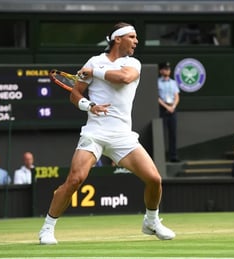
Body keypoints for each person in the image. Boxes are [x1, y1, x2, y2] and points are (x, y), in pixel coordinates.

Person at [38, 22, 175, 245]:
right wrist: (88, 106)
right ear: (117, 39)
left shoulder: (132, 63)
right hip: (95, 132)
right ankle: (47, 228)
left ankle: (151, 222)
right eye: (132, 36)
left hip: (122, 135)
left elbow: (125, 78)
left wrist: (94, 72)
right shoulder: (94, 60)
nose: (136, 41)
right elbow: (75, 94)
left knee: (154, 179)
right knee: (75, 180)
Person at [157, 61, 180, 162]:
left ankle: (173, 156)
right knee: (161, 133)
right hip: (163, 109)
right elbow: (157, 97)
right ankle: (161, 157)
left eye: (169, 69)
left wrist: (173, 106)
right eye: (165, 69)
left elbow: (177, 96)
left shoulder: (173, 82)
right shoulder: (157, 82)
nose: (167, 71)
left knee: (173, 134)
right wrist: (167, 107)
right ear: (160, 70)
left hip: (172, 109)